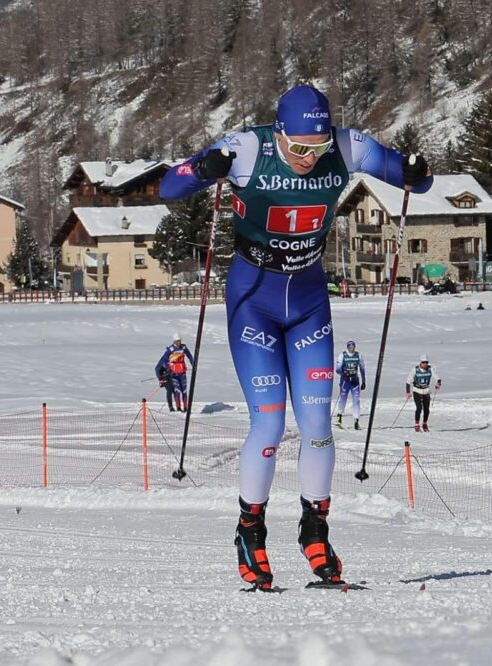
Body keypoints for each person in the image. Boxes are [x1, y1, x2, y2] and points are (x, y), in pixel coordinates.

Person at [159, 83, 433, 590]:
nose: (309, 157)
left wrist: (416, 173)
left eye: (318, 146)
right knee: (268, 424)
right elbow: (168, 188)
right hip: (253, 301)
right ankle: (250, 530)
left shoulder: (346, 146)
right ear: (280, 134)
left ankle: (315, 530)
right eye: (299, 147)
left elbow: (415, 178)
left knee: (318, 424)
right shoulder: (248, 148)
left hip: (308, 302)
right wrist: (203, 169)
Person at [156, 334, 194, 412]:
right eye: (177, 341)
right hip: (174, 373)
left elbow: (190, 356)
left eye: (179, 341)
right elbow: (164, 360)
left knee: (184, 390)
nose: (178, 342)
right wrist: (168, 368)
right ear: (174, 341)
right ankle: (178, 407)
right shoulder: (171, 349)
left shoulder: (183, 347)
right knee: (177, 390)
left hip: (182, 372)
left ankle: (186, 408)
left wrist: (193, 365)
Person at [334, 340, 366, 430]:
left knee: (356, 400)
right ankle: (339, 416)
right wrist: (344, 372)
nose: (351, 349)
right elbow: (337, 370)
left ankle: (356, 420)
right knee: (343, 398)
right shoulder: (342, 355)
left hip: (355, 381)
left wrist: (364, 381)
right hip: (345, 381)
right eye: (350, 347)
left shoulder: (358, 355)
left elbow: (362, 369)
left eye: (353, 347)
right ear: (347, 347)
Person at [406, 354, 441, 432]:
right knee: (419, 408)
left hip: (426, 391)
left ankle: (424, 423)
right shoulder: (415, 370)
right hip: (417, 390)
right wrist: (408, 392)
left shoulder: (430, 369)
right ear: (420, 362)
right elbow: (408, 381)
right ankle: (416, 424)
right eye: (423, 362)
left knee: (426, 409)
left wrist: (438, 384)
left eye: (426, 362)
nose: (425, 364)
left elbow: (438, 378)